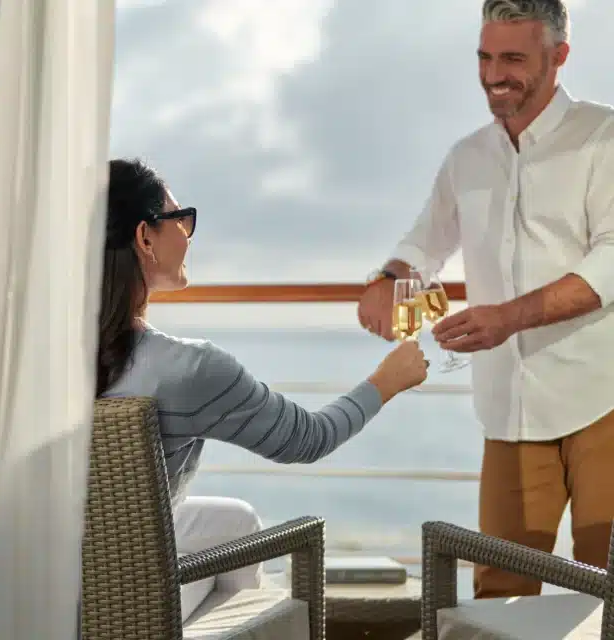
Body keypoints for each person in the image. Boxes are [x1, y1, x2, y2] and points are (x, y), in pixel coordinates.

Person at [357, 0, 614, 600]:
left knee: (609, 600)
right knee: (499, 603)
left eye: (514, 59)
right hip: (508, 414)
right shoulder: (466, 157)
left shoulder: (604, 137)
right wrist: (387, 279)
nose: (495, 75)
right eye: (485, 57)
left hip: (604, 402)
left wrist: (507, 318)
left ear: (559, 56)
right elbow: (423, 244)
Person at [99, 157, 429, 619]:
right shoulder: (187, 369)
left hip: (58, 575)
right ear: (145, 237)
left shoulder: (45, 361)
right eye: (181, 219)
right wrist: (387, 380)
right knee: (236, 575)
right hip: (126, 602)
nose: (188, 235)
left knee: (236, 522)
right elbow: (308, 438)